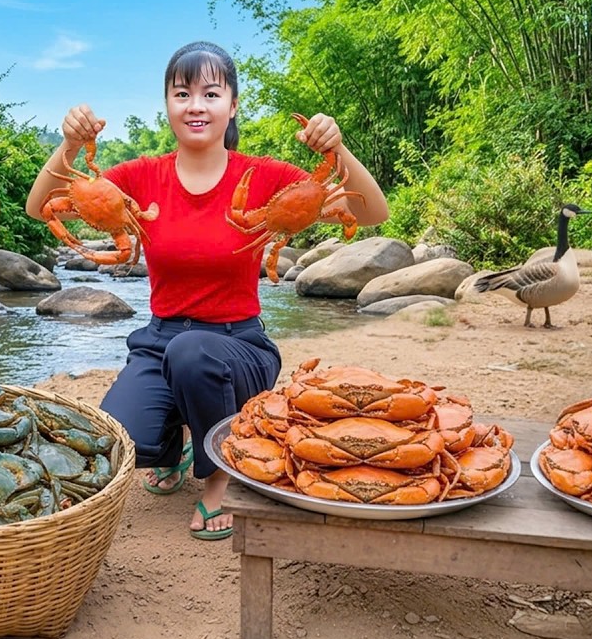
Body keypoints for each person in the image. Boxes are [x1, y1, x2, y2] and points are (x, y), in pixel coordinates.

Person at [25, 41, 389, 540]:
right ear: (168, 105)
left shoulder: (264, 176)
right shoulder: (140, 176)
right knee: (117, 437)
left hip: (238, 344)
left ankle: (221, 473)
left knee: (193, 353)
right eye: (182, 93)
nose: (196, 105)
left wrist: (336, 149)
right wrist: (68, 145)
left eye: (211, 93)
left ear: (232, 105)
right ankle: (177, 440)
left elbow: (372, 213)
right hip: (159, 341)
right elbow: (38, 206)